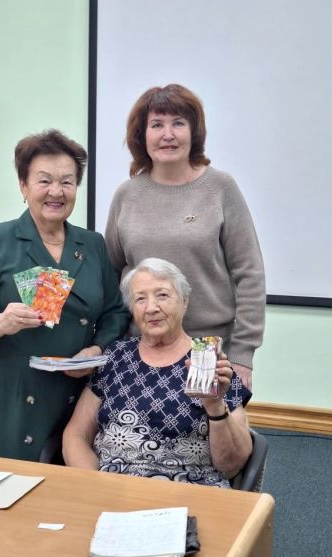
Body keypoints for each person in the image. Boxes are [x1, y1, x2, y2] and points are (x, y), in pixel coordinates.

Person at [0, 129, 130, 462]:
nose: (56, 192)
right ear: (23, 186)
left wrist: (95, 350)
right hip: (14, 392)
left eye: (66, 182)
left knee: (68, 479)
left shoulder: (92, 244)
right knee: (8, 478)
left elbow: (115, 313)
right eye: (44, 181)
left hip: (75, 388)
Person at [105, 84, 265, 390]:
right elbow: (110, 276)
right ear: (142, 135)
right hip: (142, 347)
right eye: (157, 125)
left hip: (207, 348)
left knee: (208, 421)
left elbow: (250, 274)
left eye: (178, 123)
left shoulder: (220, 188)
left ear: (194, 132)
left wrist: (243, 354)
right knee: (136, 423)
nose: (168, 134)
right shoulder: (126, 195)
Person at [62, 258, 252, 488]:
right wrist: (95, 484)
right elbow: (76, 435)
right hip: (111, 490)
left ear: (184, 302)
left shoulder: (208, 359)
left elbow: (231, 464)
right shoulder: (116, 355)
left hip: (187, 491)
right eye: (140, 299)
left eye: (162, 295)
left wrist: (215, 405)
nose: (151, 308)